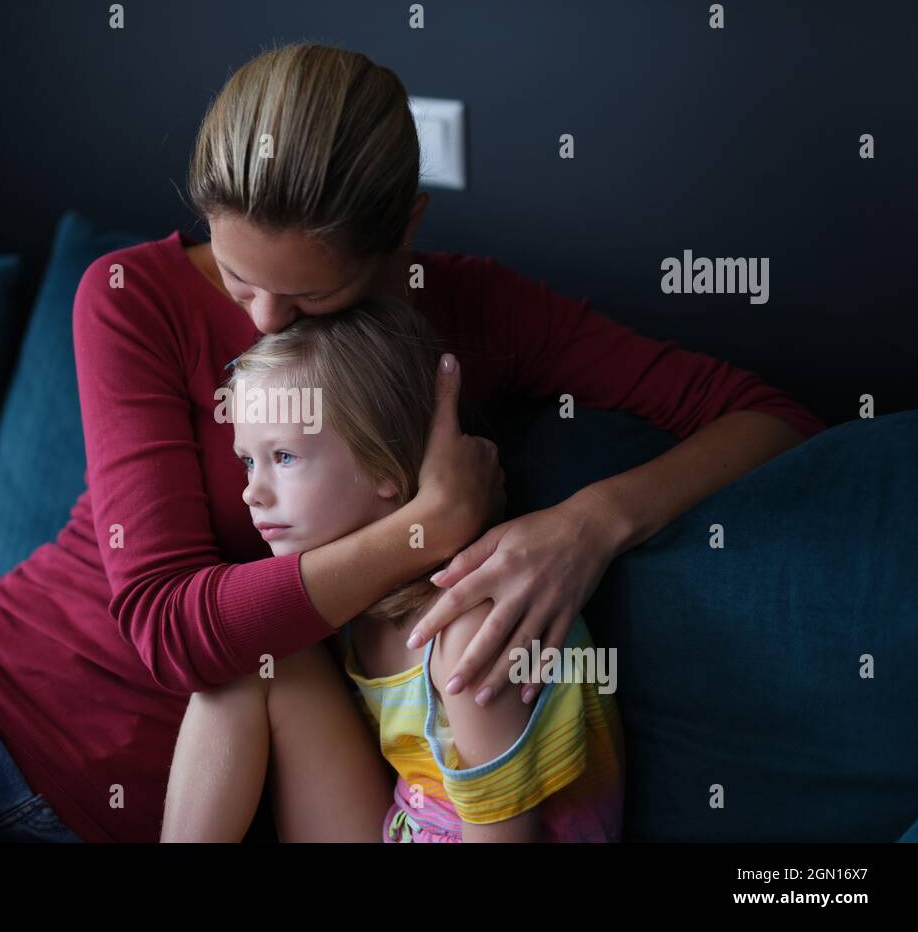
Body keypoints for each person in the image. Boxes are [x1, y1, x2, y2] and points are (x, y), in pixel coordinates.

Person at [0, 41, 823, 842]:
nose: (258, 327)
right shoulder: (127, 297)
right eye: (235, 278)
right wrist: (428, 525)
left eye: (309, 303)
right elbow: (176, 631)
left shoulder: (472, 310)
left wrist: (586, 524)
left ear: (402, 234)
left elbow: (772, 415)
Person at [161, 295, 625, 843]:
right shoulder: (357, 612)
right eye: (247, 460)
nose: (251, 492)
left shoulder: (469, 632)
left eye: (283, 457)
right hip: (402, 827)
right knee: (250, 660)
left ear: (384, 462)